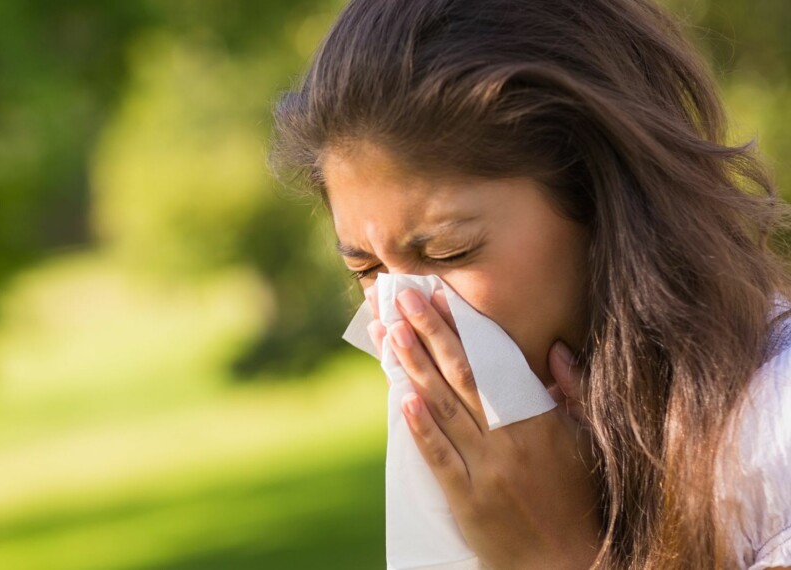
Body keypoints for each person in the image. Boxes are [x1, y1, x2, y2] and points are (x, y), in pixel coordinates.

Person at [268, 0, 791, 568]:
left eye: (449, 250)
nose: (403, 322)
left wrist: (552, 554)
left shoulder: (772, 438)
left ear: (598, 201)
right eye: (367, 271)